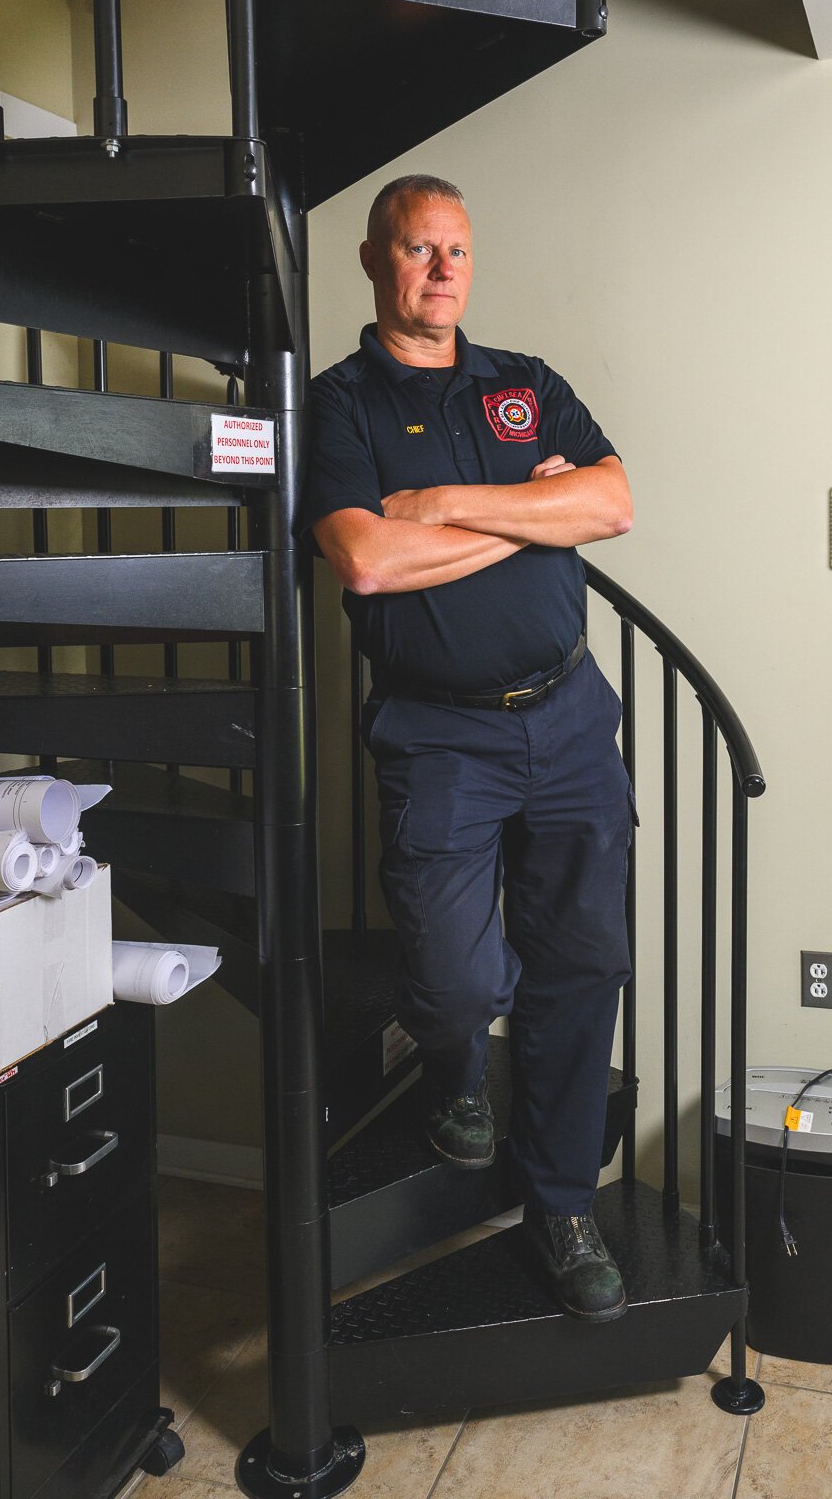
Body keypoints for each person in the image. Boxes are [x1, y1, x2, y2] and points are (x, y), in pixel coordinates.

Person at [302, 174, 635, 1322]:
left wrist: (442, 503)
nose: (439, 271)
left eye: (455, 251)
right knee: (453, 982)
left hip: (570, 718)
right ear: (371, 260)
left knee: (580, 967)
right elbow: (369, 563)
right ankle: (451, 1074)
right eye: (415, 250)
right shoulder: (336, 404)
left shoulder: (523, 385)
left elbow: (613, 503)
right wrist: (519, 510)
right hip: (438, 734)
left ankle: (559, 1204)